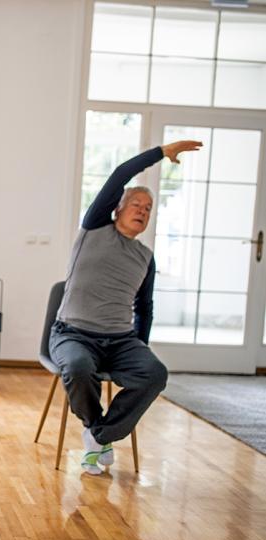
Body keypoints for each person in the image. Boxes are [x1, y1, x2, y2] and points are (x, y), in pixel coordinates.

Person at [50, 138, 202, 475]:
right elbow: (120, 174)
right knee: (76, 367)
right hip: (73, 334)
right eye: (137, 204)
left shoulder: (145, 257)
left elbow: (144, 308)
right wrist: (162, 153)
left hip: (120, 341)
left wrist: (140, 350)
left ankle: (99, 434)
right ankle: (95, 430)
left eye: (148, 209)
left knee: (155, 374)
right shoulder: (94, 228)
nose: (143, 211)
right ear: (118, 208)